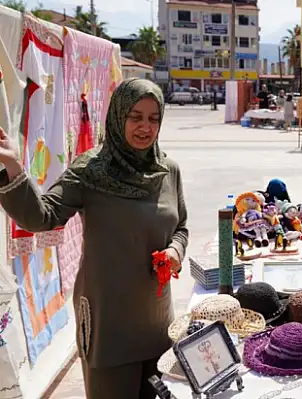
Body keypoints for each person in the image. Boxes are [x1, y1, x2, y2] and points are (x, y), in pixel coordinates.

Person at [0, 79, 188, 398]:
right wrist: (13, 169)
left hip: (156, 320)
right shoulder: (90, 171)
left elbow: (180, 225)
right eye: (135, 117)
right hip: (108, 325)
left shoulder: (167, 170)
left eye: (153, 118)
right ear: (117, 117)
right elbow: (41, 217)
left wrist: (175, 251)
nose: (145, 127)